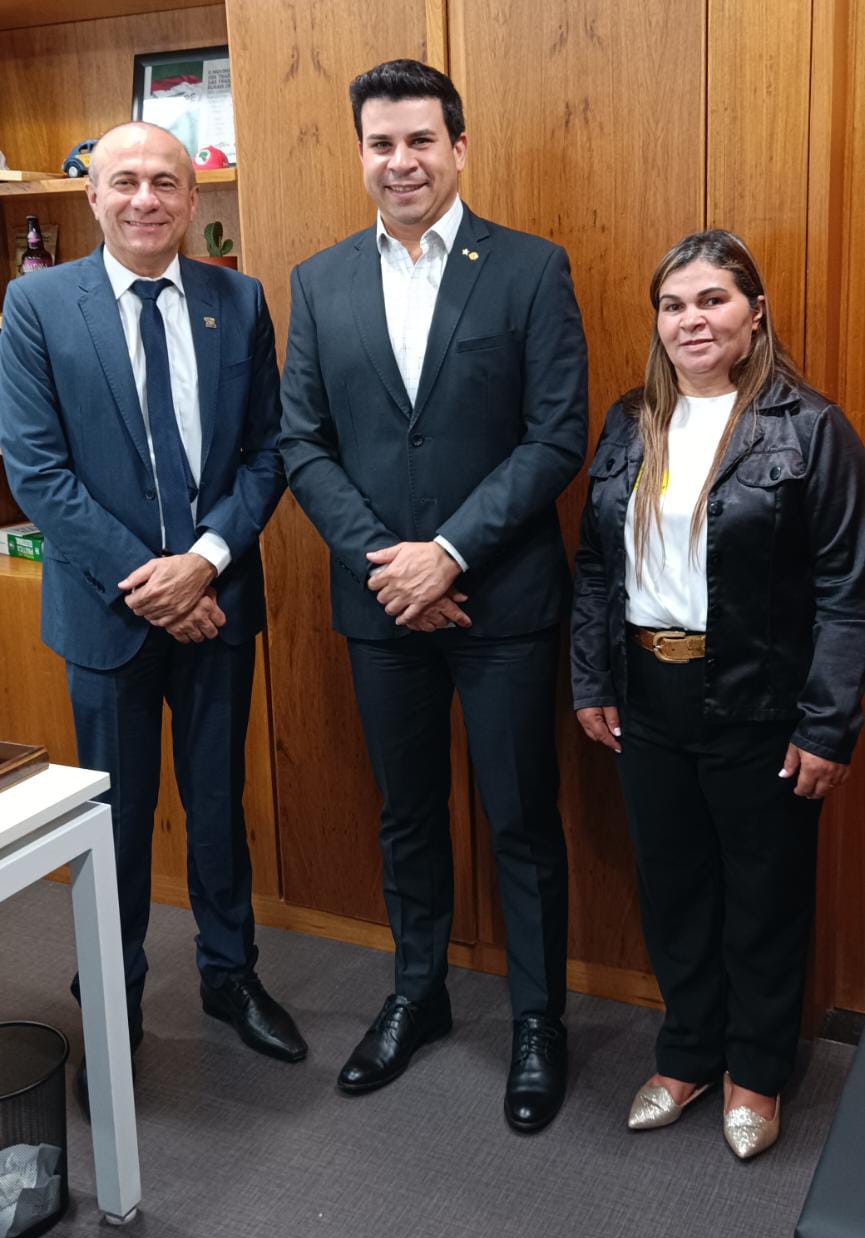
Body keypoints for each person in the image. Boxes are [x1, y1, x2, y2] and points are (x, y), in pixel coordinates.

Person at [280, 60, 587, 1131]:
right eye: (381, 143)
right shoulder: (317, 281)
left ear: (458, 147)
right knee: (406, 811)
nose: (400, 161)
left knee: (521, 818)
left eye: (420, 140)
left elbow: (555, 435)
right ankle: (419, 991)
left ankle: (538, 1019)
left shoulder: (530, 269)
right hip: (381, 607)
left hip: (501, 601)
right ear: (360, 154)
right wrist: (393, 565)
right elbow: (302, 442)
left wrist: (448, 554)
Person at [0, 122, 306, 1117]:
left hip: (218, 605)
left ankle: (229, 975)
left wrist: (204, 562)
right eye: (124, 181)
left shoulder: (237, 299)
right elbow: (37, 469)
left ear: (192, 196)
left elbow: (267, 451)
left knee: (218, 803)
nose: (145, 199)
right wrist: (153, 581)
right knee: (117, 822)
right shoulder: (36, 304)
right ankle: (113, 1003)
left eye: (165, 182)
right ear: (91, 195)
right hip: (108, 614)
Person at [571, 228, 865, 1158]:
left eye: (712, 300)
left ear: (754, 313)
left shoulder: (808, 428)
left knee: (763, 895)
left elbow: (846, 589)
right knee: (672, 886)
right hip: (645, 690)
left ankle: (757, 1069)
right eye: (672, 304)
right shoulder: (629, 421)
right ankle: (689, 1052)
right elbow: (594, 568)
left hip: (759, 697)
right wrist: (590, 678)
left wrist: (827, 726)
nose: (690, 320)